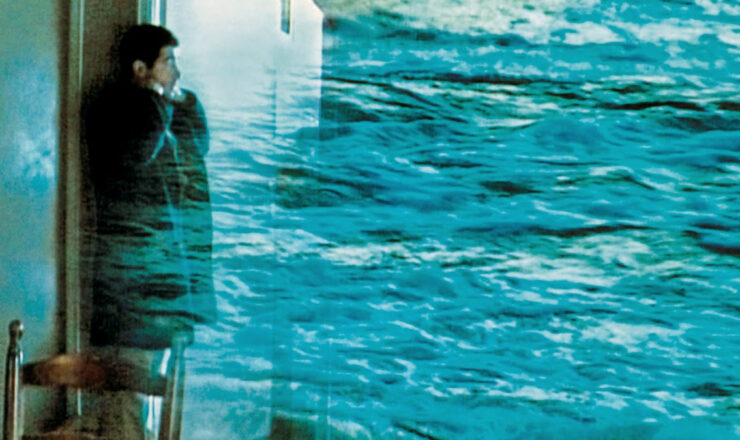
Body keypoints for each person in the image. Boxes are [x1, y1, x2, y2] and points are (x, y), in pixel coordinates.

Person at [84, 23, 216, 438]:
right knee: (126, 390)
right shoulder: (121, 110)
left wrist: (179, 102)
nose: (176, 71)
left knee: (149, 386)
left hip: (160, 278)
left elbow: (197, 147)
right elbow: (139, 147)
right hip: (131, 283)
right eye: (168, 61)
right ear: (140, 68)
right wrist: (158, 100)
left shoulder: (162, 111)